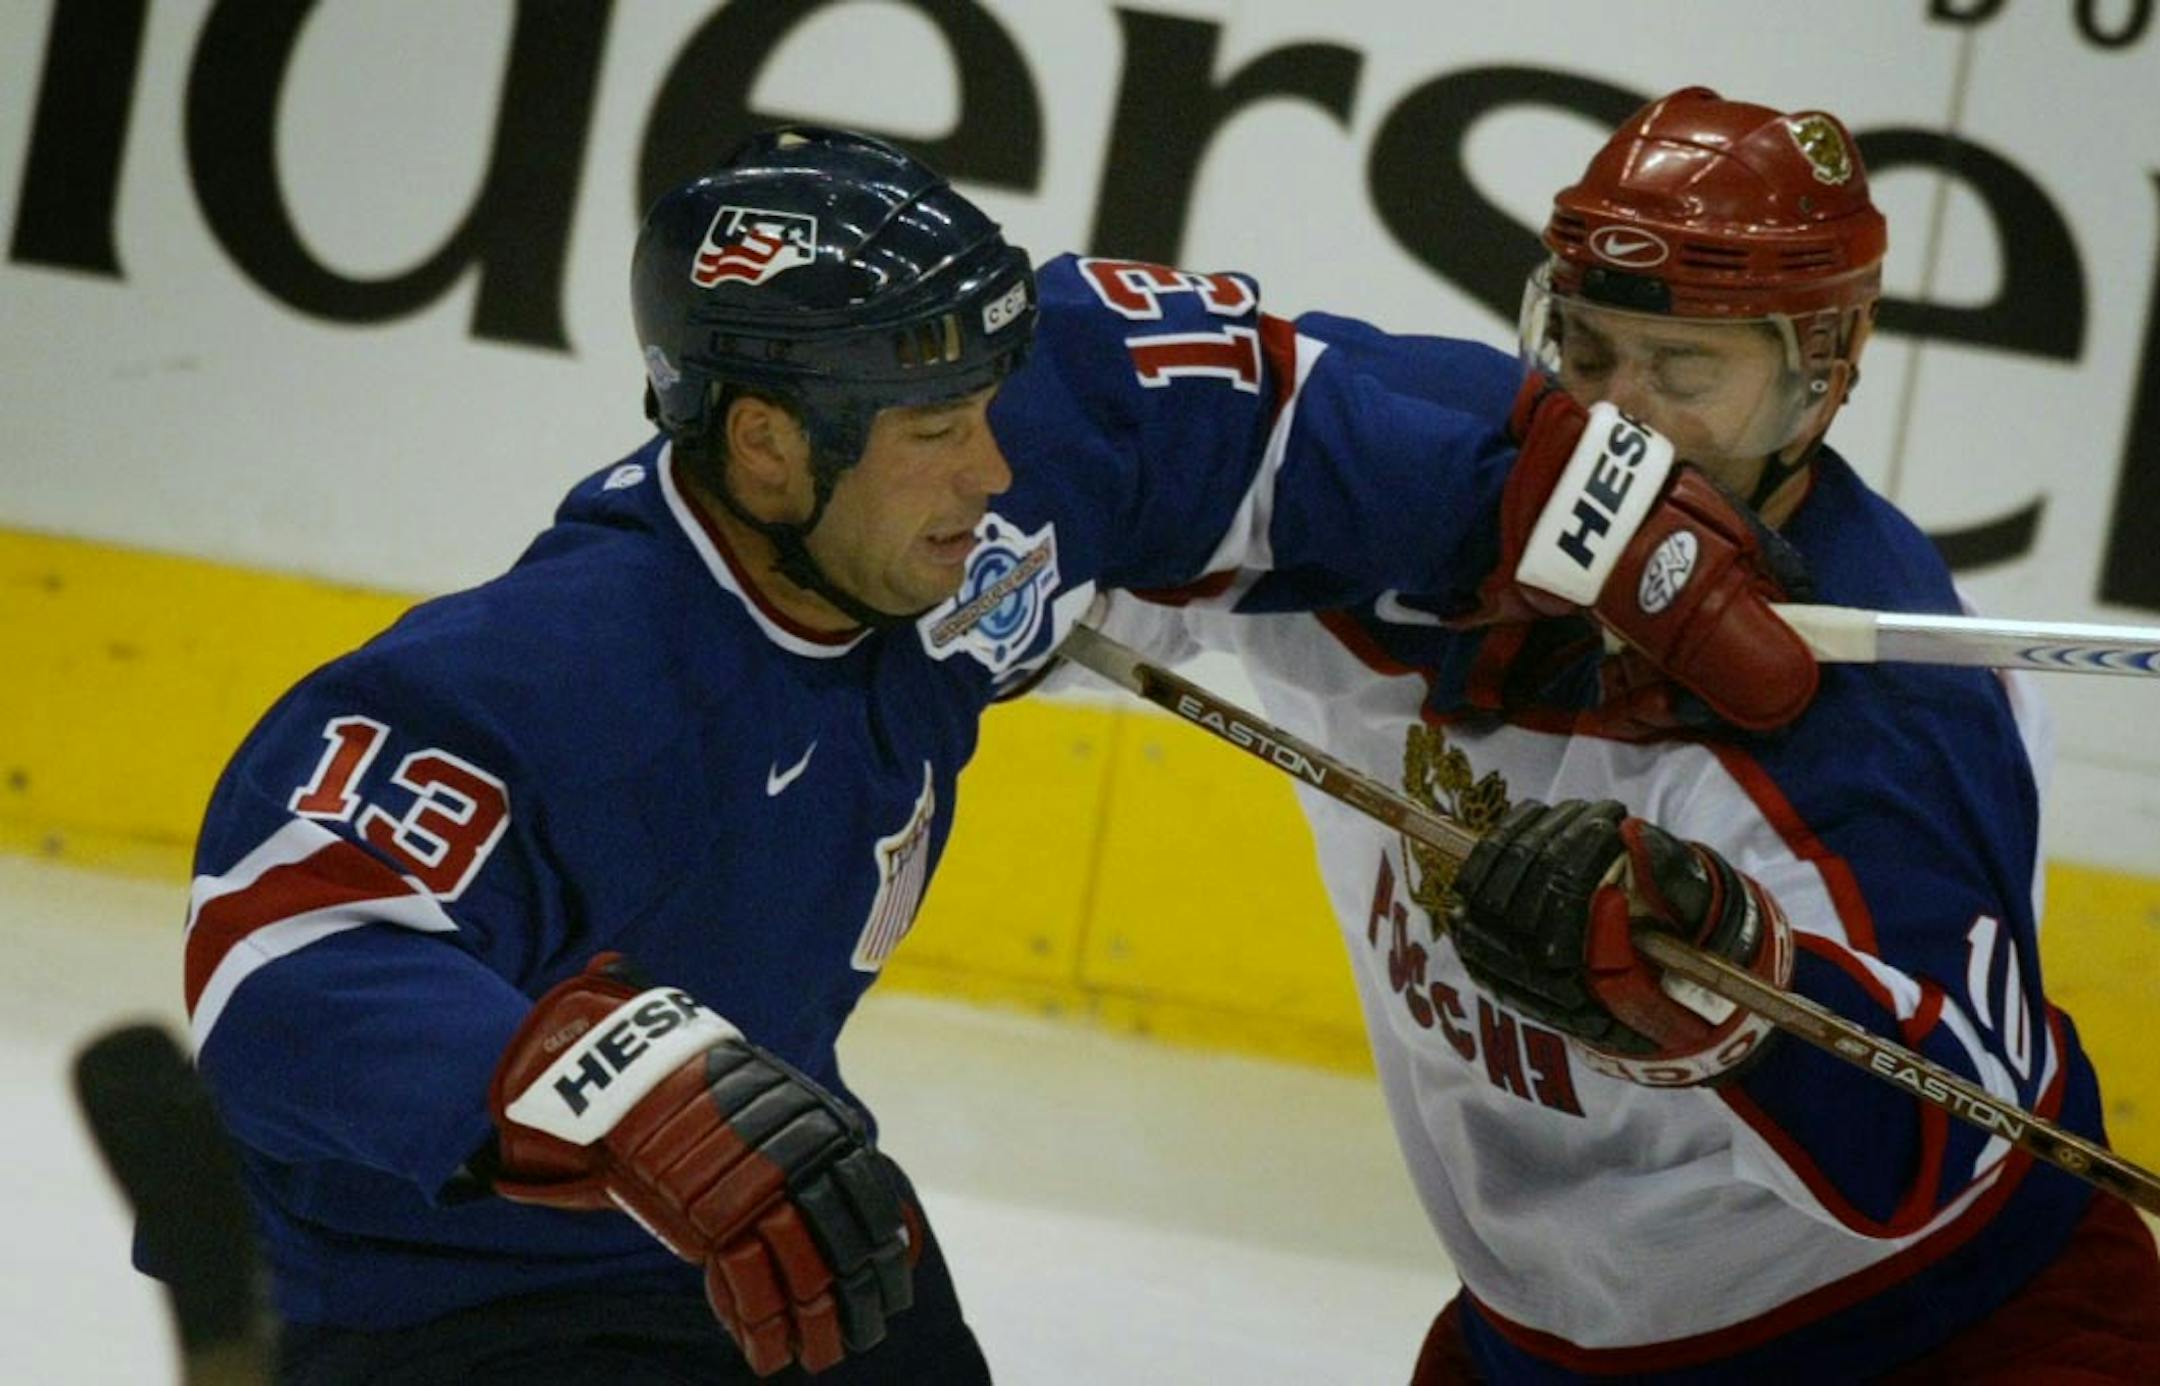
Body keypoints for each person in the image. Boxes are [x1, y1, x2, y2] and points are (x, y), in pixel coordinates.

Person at [161, 125, 1809, 1383]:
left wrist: (1559, 496)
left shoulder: (960, 462)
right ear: (763, 443)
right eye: (939, 430)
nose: (998, 465)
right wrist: (611, 1098)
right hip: (458, 1290)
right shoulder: (565, 665)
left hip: (773, 1202)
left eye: (990, 404)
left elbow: (1260, 402)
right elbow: (282, 937)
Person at [1087, 88, 2160, 1379]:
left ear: (1820, 374)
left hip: (1947, 1334)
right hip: (1542, 1345)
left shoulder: (1895, 717)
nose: (1619, 418)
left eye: (1685, 369)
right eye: (1587, 353)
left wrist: (1729, 981)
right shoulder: (1411, 527)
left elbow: (1925, 1149)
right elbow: (1110, 503)